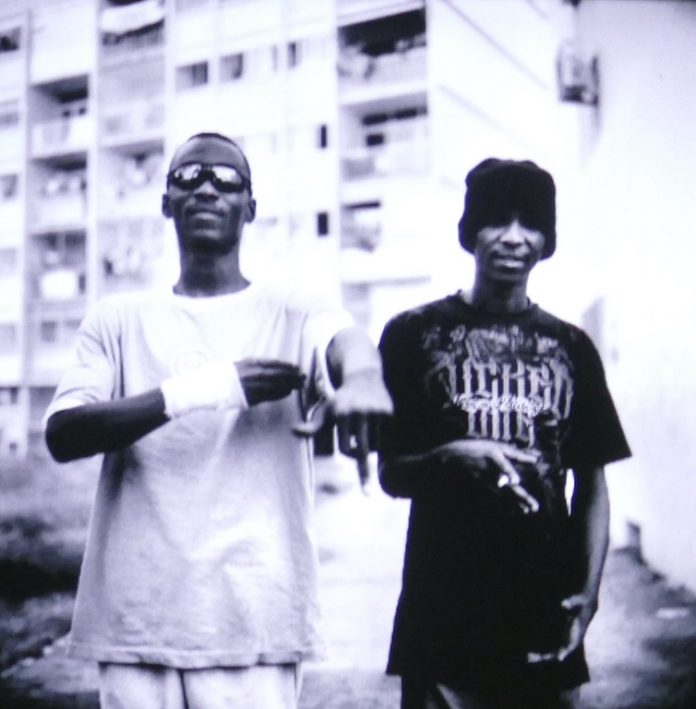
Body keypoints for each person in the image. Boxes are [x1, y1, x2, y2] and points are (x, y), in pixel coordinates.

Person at [44, 131, 393, 709]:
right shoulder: (118, 318)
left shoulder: (291, 309)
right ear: (166, 202)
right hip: (137, 622)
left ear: (250, 207)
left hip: (252, 624)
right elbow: (64, 432)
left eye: (227, 179)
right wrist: (210, 388)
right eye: (189, 176)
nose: (207, 187)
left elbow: (345, 341)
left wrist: (363, 378)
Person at [378, 158, 631, 709]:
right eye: (497, 219)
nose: (515, 238)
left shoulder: (572, 347)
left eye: (531, 223)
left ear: (547, 239)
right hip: (442, 614)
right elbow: (391, 474)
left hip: (543, 615)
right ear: (471, 232)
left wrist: (587, 596)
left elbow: (591, 486)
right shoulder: (412, 335)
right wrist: (450, 458)